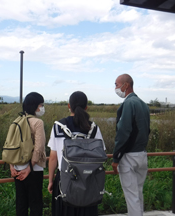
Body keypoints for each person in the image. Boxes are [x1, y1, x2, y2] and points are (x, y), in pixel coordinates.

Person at [47, 91, 106, 216]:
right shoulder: (93, 128)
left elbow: (53, 158)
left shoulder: (58, 126)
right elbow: (101, 154)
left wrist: (51, 180)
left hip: (64, 178)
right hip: (89, 179)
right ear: (86, 107)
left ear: (69, 106)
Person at [111, 74, 150, 216]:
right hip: (142, 155)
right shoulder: (143, 104)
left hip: (129, 156)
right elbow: (147, 129)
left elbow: (123, 132)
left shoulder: (128, 104)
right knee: (138, 193)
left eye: (116, 84)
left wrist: (116, 158)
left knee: (131, 196)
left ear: (126, 85)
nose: (115, 88)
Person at [9, 92, 46, 216]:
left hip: (17, 169)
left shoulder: (17, 120)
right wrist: (30, 167)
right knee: (35, 203)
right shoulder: (37, 122)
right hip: (34, 169)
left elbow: (10, 145)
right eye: (41, 105)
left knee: (21, 203)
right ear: (35, 106)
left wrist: (11, 166)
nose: (42, 108)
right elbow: (39, 147)